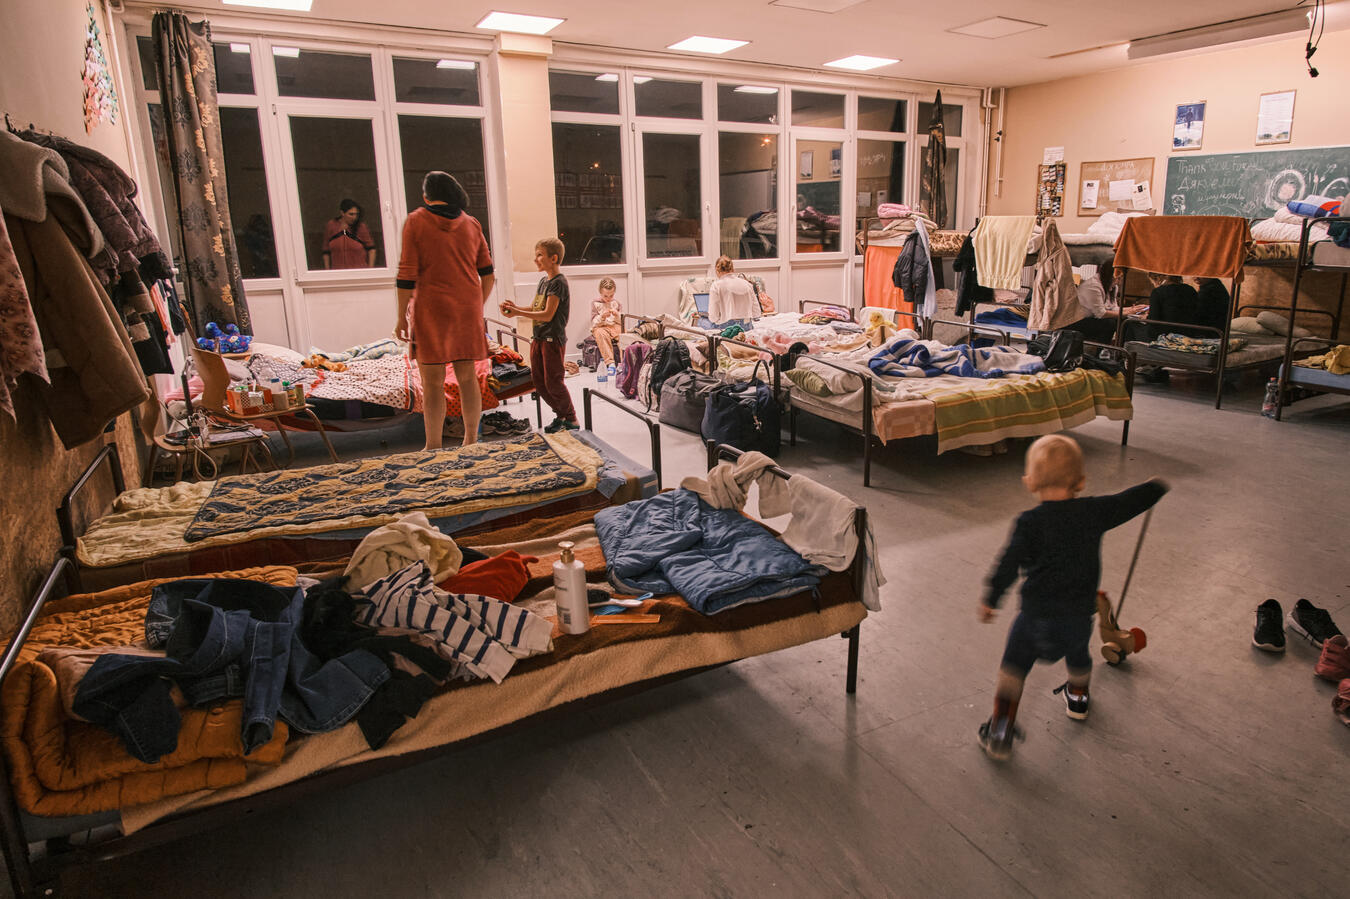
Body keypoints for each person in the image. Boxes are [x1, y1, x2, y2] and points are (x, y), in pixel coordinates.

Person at [977, 434, 1168, 761]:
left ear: (1030, 481)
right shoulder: (1093, 512)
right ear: (1080, 481)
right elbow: (1126, 502)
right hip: (1078, 616)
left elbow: (1008, 563)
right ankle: (1078, 699)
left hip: (1035, 619)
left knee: (1013, 668)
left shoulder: (1029, 523)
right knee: (1079, 655)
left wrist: (991, 598)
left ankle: (1000, 730)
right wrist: (1154, 489)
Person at [394, 172, 494, 450]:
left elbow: (406, 274)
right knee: (468, 377)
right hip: (466, 310)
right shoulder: (472, 224)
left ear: (426, 196)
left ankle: (433, 445)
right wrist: (476, 305)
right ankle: (471, 440)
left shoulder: (416, 221)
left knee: (432, 382)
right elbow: (488, 274)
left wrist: (401, 316)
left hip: (430, 310)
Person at [500, 238, 577, 432]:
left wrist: (517, 312)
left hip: (552, 339)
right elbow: (536, 308)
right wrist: (515, 309)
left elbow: (547, 314)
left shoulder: (559, 283)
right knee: (539, 382)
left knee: (553, 382)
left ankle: (571, 419)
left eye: (540, 255)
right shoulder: (544, 281)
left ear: (554, 258)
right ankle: (560, 415)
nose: (536, 260)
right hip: (539, 338)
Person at [708, 255, 760, 329]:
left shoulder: (716, 285)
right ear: (732, 269)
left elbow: (713, 317)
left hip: (726, 328)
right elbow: (756, 313)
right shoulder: (747, 284)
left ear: (717, 270)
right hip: (746, 326)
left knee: (701, 320)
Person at [323, 199, 377, 269]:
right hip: (338, 270)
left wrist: (370, 269)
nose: (354, 217)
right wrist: (327, 270)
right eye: (351, 214)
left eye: (356, 214)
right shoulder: (331, 225)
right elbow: (326, 251)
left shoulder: (361, 227)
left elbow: (371, 249)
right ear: (342, 213)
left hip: (359, 270)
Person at [589, 276, 623, 377]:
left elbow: (621, 322)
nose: (608, 299)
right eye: (605, 296)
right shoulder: (595, 303)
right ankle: (610, 363)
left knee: (623, 335)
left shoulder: (616, 303)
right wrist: (602, 317)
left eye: (611, 296)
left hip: (613, 325)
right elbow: (594, 323)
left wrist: (617, 315)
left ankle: (624, 362)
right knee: (601, 334)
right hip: (600, 327)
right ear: (600, 293)